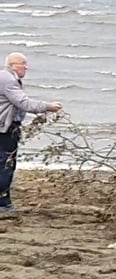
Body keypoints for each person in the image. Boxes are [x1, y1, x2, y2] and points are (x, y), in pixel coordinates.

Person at [0, 52, 62, 216]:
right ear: (13, 65)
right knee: (6, 164)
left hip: (6, 127)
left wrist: (37, 113)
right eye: (23, 63)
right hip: (5, 129)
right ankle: (3, 204)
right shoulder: (7, 79)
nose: (26, 67)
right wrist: (48, 106)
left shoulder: (7, 77)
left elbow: (15, 105)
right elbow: (23, 102)